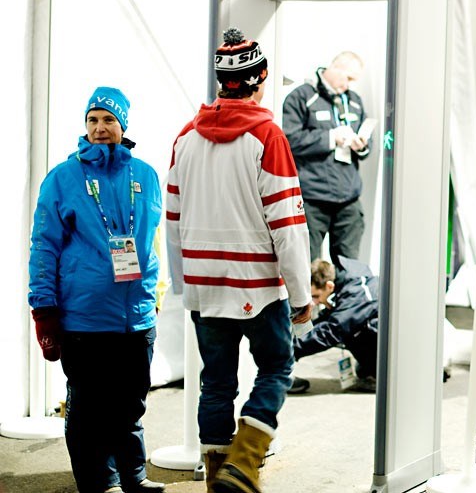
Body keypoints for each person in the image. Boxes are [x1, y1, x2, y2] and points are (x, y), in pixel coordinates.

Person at [165, 28, 312, 493]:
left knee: (216, 383)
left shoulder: (186, 136)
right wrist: (302, 296)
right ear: (260, 78)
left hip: (205, 284)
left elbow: (171, 219)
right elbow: (288, 227)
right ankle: (244, 464)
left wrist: (183, 285)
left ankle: (216, 481)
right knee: (276, 367)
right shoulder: (267, 135)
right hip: (257, 283)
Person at [28, 87, 165, 493]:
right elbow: (43, 246)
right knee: (89, 407)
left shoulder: (145, 174)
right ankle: (99, 482)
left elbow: (154, 241)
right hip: (84, 316)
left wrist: (154, 296)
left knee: (131, 402)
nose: (100, 128)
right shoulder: (64, 178)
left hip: (136, 315)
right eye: (93, 120)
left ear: (123, 124)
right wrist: (44, 309)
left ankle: (133, 476)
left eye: (108, 120)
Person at [282, 51, 372, 261]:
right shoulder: (301, 96)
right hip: (312, 198)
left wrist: (361, 146)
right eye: (348, 78)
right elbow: (289, 140)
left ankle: (347, 294)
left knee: (350, 268)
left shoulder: (355, 101)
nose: (349, 85)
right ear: (334, 68)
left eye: (353, 81)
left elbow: (368, 145)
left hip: (348, 199)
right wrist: (330, 138)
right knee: (308, 266)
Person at [288, 255, 380, 394]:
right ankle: (370, 369)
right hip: (383, 346)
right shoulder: (349, 282)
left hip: (392, 355)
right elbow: (327, 321)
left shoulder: (358, 294)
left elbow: (333, 329)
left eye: (316, 296)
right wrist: (292, 335)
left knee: (348, 329)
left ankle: (376, 373)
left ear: (329, 285)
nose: (314, 302)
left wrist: (286, 349)